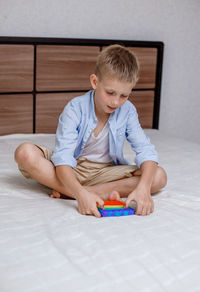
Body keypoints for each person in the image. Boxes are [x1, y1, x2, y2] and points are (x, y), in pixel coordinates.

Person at [15, 44, 167, 218]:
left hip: (105, 172)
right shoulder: (75, 108)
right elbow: (63, 158)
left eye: (124, 95)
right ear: (95, 82)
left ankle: (81, 192)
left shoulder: (128, 110)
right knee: (25, 153)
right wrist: (80, 196)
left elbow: (145, 150)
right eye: (110, 92)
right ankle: (78, 191)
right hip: (71, 169)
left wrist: (143, 189)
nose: (116, 102)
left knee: (158, 176)